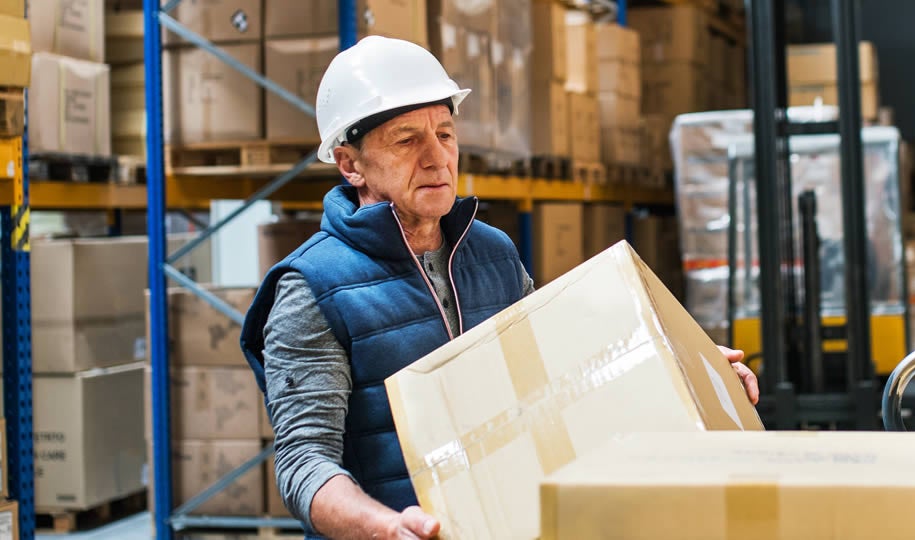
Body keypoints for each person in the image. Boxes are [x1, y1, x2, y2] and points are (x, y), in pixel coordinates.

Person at [239, 36, 759, 540]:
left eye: (444, 134)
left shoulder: (492, 253)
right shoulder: (311, 287)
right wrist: (387, 528)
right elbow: (305, 462)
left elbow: (568, 372)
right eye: (406, 139)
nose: (436, 157)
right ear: (350, 163)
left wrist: (685, 365)